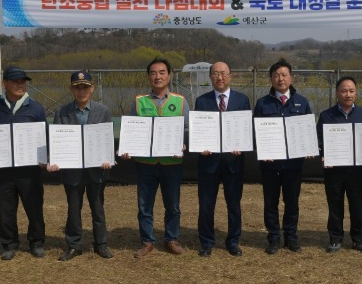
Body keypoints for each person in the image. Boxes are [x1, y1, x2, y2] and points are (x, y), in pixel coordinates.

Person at [119, 58, 189, 259]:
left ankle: (171, 239)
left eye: (162, 72)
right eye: (153, 73)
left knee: (172, 205)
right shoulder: (139, 101)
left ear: (169, 75)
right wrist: (127, 147)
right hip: (145, 164)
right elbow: (131, 129)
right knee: (144, 206)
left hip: (171, 163)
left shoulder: (180, 101)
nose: (157, 76)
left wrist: (183, 143)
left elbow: (186, 128)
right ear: (148, 76)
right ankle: (147, 241)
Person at [0, 66, 47, 260]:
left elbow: (44, 136)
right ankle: (9, 244)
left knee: (34, 209)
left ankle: (36, 242)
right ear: (5, 84)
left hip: (30, 170)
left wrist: (45, 157)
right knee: (5, 210)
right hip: (2, 170)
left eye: (23, 82)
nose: (20, 85)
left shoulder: (36, 108)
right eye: (16, 82)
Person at [49, 70, 114, 261]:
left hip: (97, 169)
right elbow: (57, 141)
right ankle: (74, 245)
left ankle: (101, 244)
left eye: (85, 87)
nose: (81, 91)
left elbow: (107, 140)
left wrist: (107, 157)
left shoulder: (103, 111)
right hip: (72, 170)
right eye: (77, 87)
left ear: (92, 88)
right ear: (71, 89)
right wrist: (55, 159)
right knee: (73, 209)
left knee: (98, 209)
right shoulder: (62, 112)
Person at [254, 59, 313, 254]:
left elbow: (308, 131)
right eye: (276, 75)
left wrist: (308, 147)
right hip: (270, 164)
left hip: (293, 164)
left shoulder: (302, 102)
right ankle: (273, 238)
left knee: (292, 202)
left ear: (291, 78)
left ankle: (291, 237)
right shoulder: (262, 103)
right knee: (271, 203)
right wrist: (263, 151)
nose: (280, 79)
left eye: (284, 75)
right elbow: (255, 132)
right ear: (271, 79)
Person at [194, 61, 251, 257]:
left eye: (223, 73)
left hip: (233, 162)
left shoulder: (242, 100)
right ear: (210, 77)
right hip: (208, 162)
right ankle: (206, 242)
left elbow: (246, 129)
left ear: (230, 76)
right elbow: (198, 131)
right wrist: (200, 147)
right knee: (206, 204)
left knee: (233, 204)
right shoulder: (201, 101)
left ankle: (233, 241)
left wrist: (242, 145)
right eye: (216, 73)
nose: (220, 77)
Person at [316, 76, 362, 253]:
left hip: (357, 170)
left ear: (356, 93)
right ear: (337, 93)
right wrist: (324, 156)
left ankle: (359, 238)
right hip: (334, 170)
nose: (348, 94)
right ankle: (335, 238)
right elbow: (319, 141)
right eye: (344, 91)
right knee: (335, 204)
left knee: (358, 205)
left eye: (351, 91)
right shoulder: (326, 115)